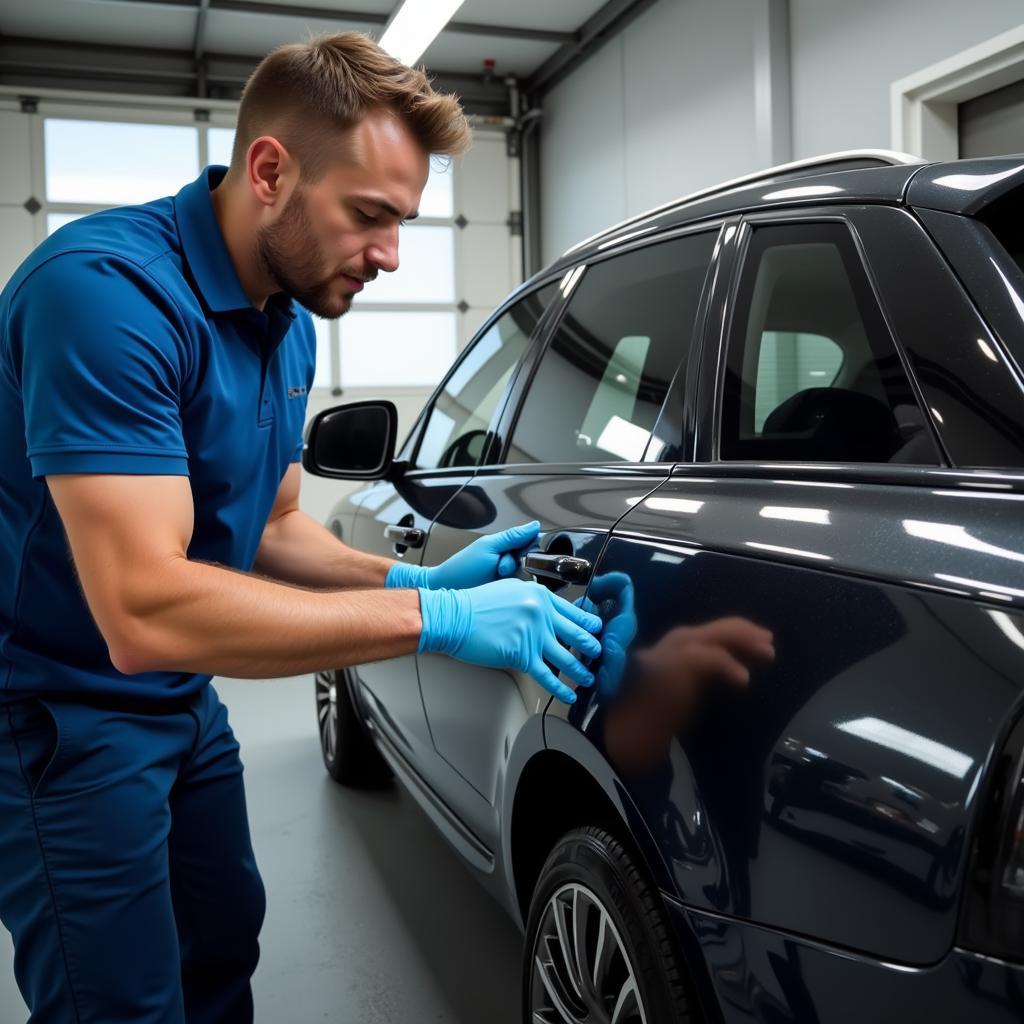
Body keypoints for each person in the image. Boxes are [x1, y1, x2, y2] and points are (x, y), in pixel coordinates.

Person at [0, 32, 602, 1023]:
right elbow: (143, 608)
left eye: (403, 222)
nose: (390, 257)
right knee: (121, 1001)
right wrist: (437, 627)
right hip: (62, 712)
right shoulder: (104, 298)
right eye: (369, 216)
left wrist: (418, 583)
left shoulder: (287, 318)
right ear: (271, 171)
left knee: (223, 939)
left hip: (179, 701)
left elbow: (276, 528)